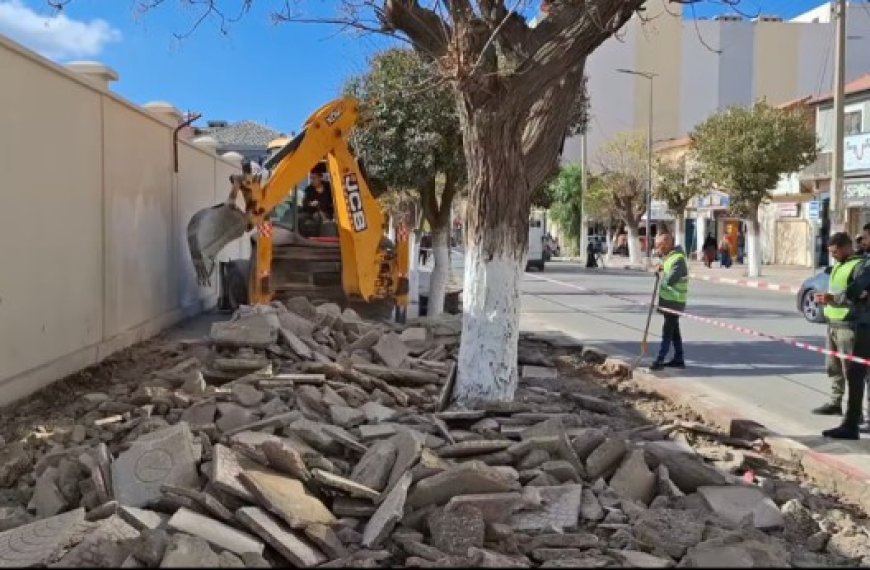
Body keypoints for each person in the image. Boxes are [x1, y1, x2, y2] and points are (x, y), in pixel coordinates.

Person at [812, 233, 865, 428]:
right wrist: (827, 300)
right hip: (833, 322)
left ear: (845, 247)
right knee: (833, 367)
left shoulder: (859, 266)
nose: (833, 255)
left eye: (835, 252)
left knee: (851, 371)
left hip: (849, 325)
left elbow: (858, 294)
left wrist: (831, 299)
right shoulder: (839, 265)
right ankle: (835, 402)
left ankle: (854, 412)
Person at [651, 233, 689, 371]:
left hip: (675, 301)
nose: (658, 250)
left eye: (659, 246)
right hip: (669, 301)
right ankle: (679, 358)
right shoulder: (671, 256)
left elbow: (671, 279)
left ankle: (660, 359)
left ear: (666, 244)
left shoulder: (678, 259)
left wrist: (662, 278)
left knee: (667, 330)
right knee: (674, 331)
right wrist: (660, 268)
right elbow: (666, 265)